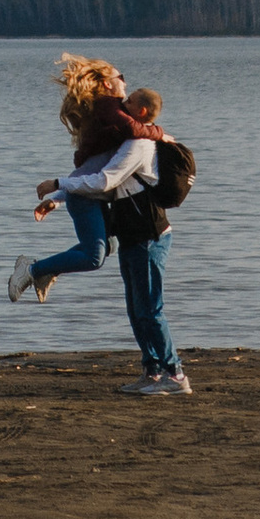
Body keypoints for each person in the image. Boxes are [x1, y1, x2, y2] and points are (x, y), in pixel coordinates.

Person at [6, 55, 149, 306]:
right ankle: (32, 270)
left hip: (88, 194)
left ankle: (46, 270)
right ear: (107, 84)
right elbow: (98, 175)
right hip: (85, 198)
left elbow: (91, 169)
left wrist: (57, 199)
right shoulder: (112, 113)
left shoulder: (113, 121)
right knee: (94, 257)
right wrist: (161, 134)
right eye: (122, 79)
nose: (125, 86)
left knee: (108, 247)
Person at [105, 87, 189, 397]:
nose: (122, 103)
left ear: (141, 111)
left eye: (128, 100)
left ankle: (175, 374)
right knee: (135, 308)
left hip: (150, 238)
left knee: (151, 309)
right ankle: (152, 372)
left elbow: (107, 180)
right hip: (131, 237)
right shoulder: (132, 140)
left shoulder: (139, 145)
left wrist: (59, 188)